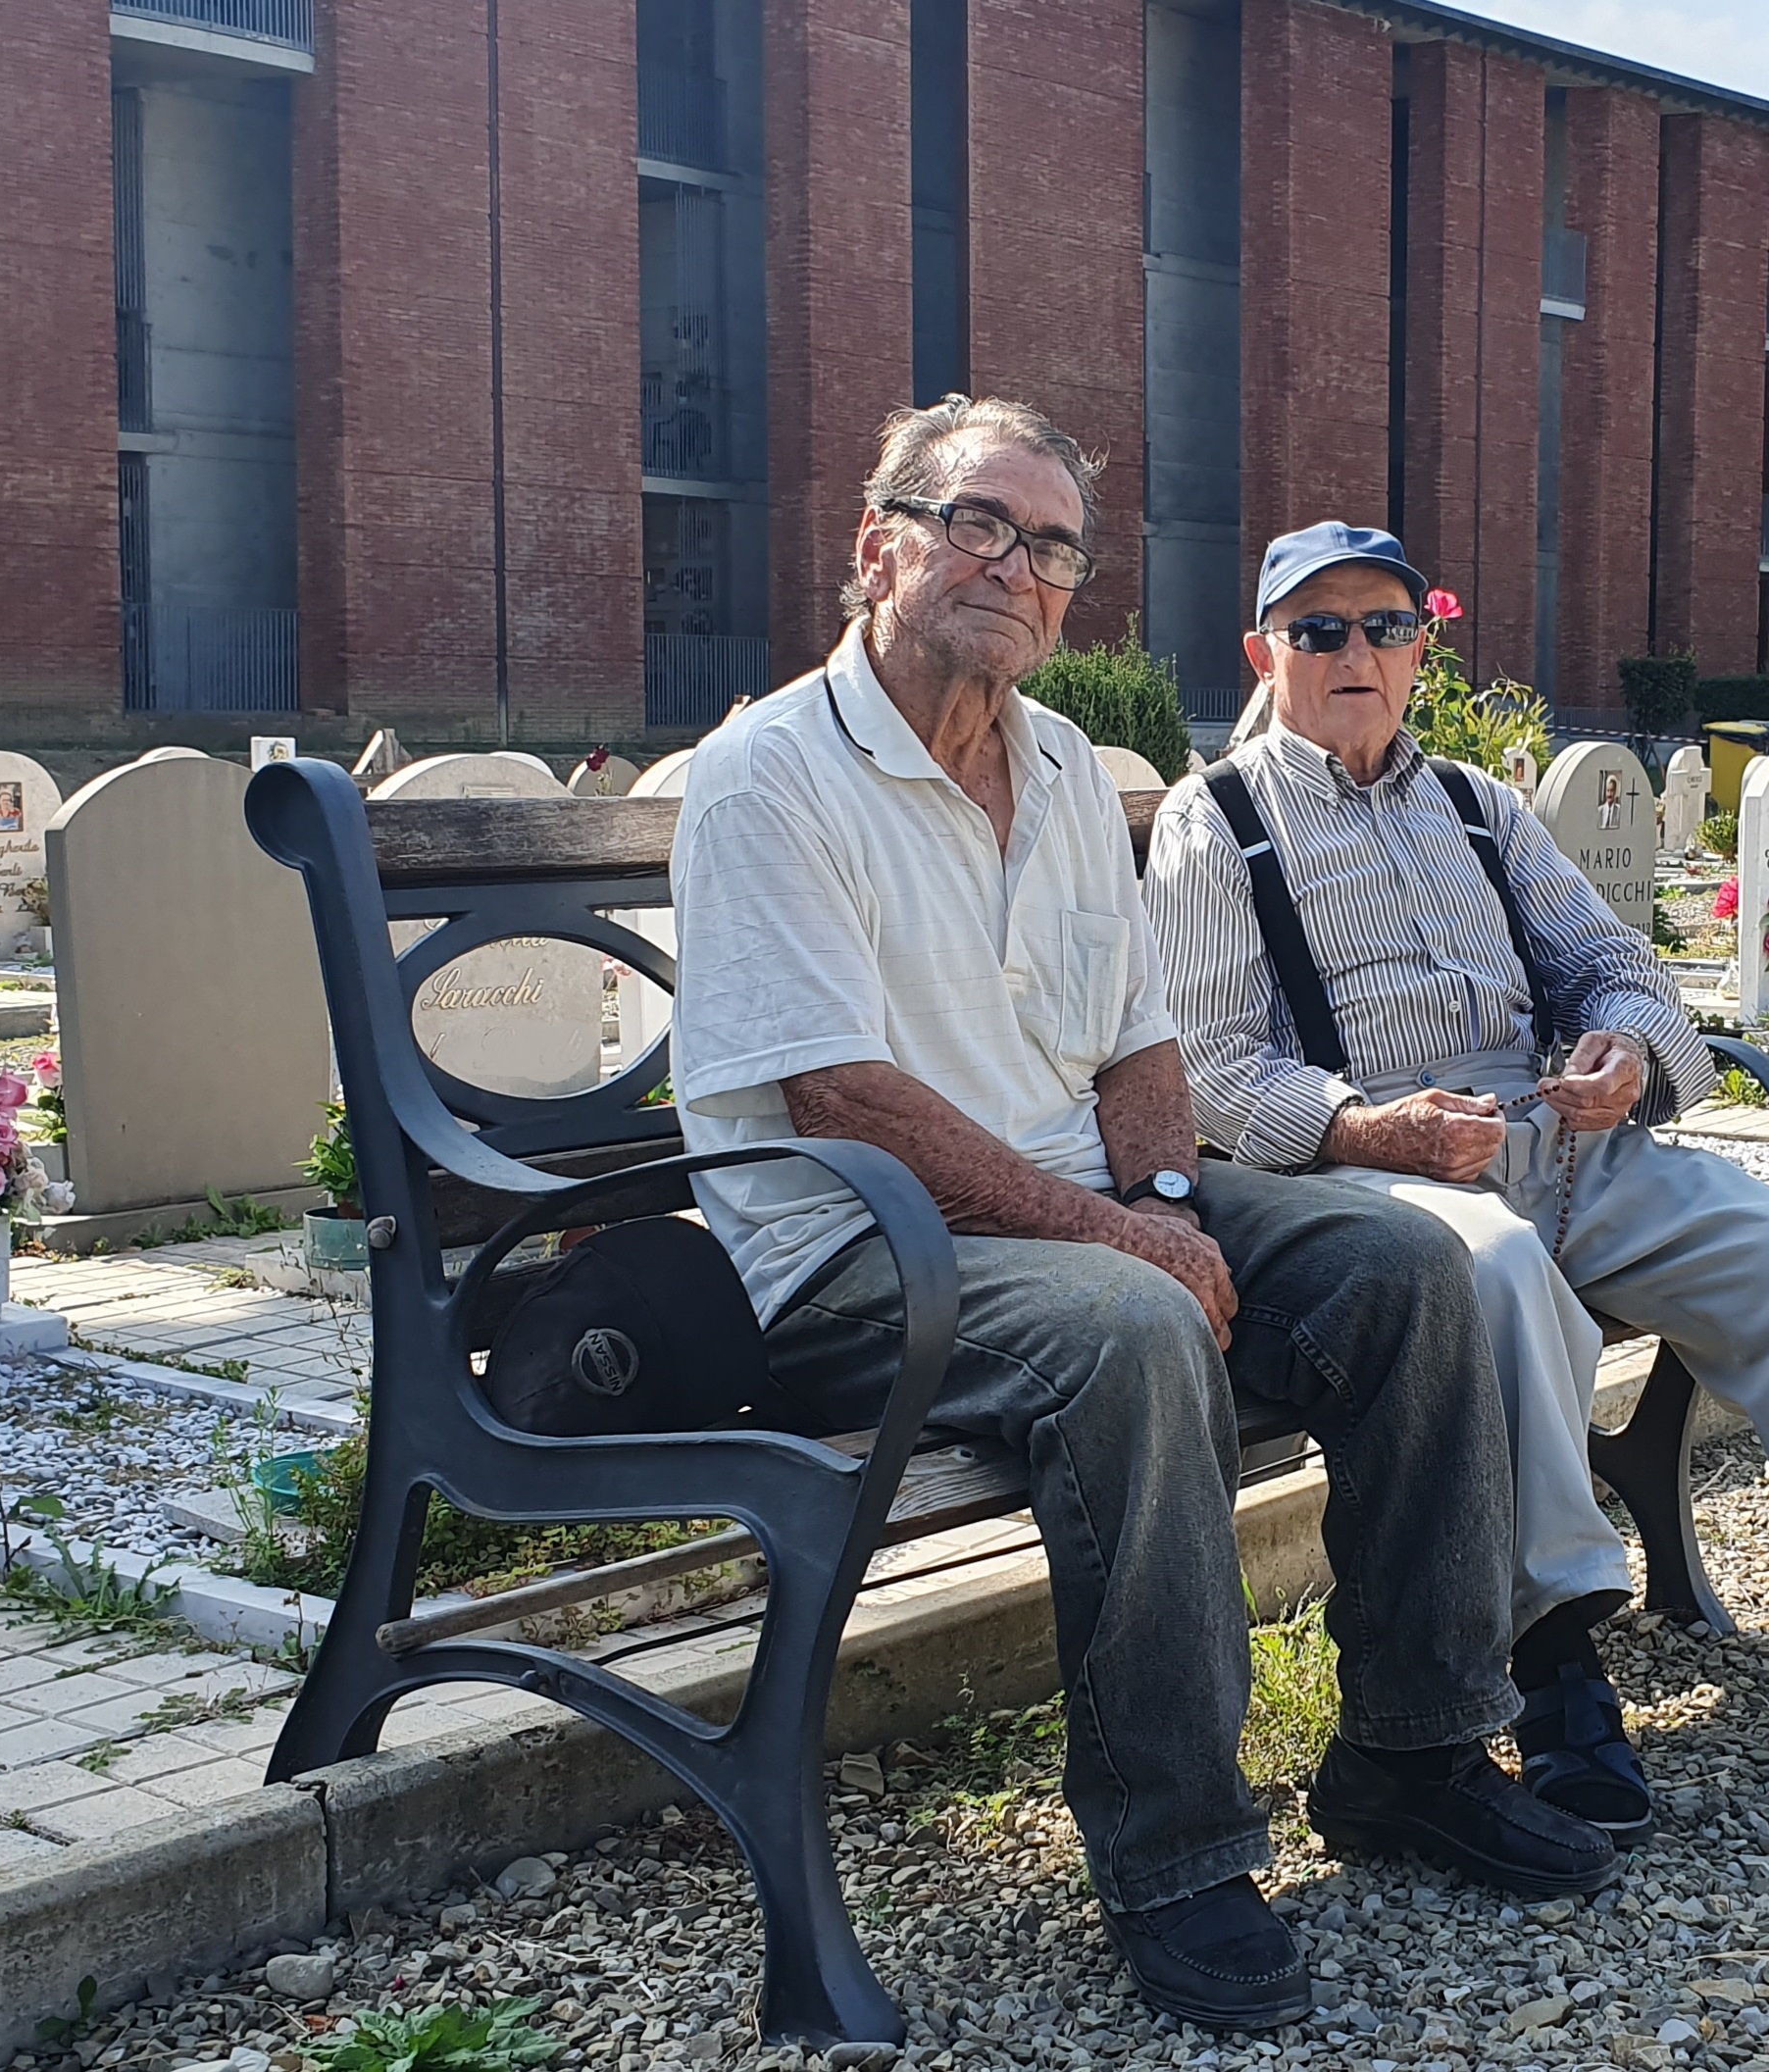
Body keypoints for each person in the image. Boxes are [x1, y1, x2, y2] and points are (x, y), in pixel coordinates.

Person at [669, 415, 1613, 2032]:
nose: (1014, 568)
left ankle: (1413, 1747)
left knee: (1409, 1263)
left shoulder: (1056, 763)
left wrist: (1167, 1196)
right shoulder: (772, 775)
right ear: (879, 540)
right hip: (854, 1244)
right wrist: (1126, 1242)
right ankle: (1176, 1855)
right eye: (977, 524)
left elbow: (1139, 1039)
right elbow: (840, 1100)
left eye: (1048, 547)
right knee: (1135, 1328)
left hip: (1069, 1201)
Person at [1144, 523, 1769, 1846]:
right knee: (1488, 1280)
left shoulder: (1480, 808)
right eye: (1316, 631)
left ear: (1421, 649)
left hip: (1568, 1149)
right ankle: (1552, 1669)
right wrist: (1368, 1129)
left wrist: (1623, 1056)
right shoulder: (1222, 820)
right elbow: (1204, 1068)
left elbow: (1619, 970)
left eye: (1381, 625)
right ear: (1266, 653)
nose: (1353, 654)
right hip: (1370, 1179)